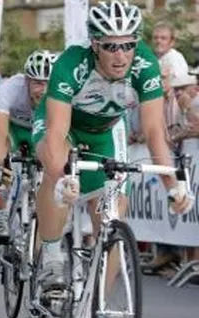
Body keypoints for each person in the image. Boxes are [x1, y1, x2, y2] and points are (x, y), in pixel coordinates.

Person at [32, 1, 194, 292]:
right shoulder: (72, 63)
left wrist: (172, 184)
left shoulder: (145, 65)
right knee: (55, 170)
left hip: (106, 131)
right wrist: (62, 174)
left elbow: (154, 128)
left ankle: (98, 313)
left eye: (128, 45)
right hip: (64, 126)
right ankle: (52, 256)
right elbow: (57, 132)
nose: (121, 56)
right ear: (94, 44)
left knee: (112, 219)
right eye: (110, 47)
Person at [0, 50, 57, 237]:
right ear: (26, 81)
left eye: (47, 84)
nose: (42, 90)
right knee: (4, 167)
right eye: (37, 83)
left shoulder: (60, 94)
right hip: (14, 130)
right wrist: (2, 163)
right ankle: (2, 214)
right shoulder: (9, 88)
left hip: (40, 132)